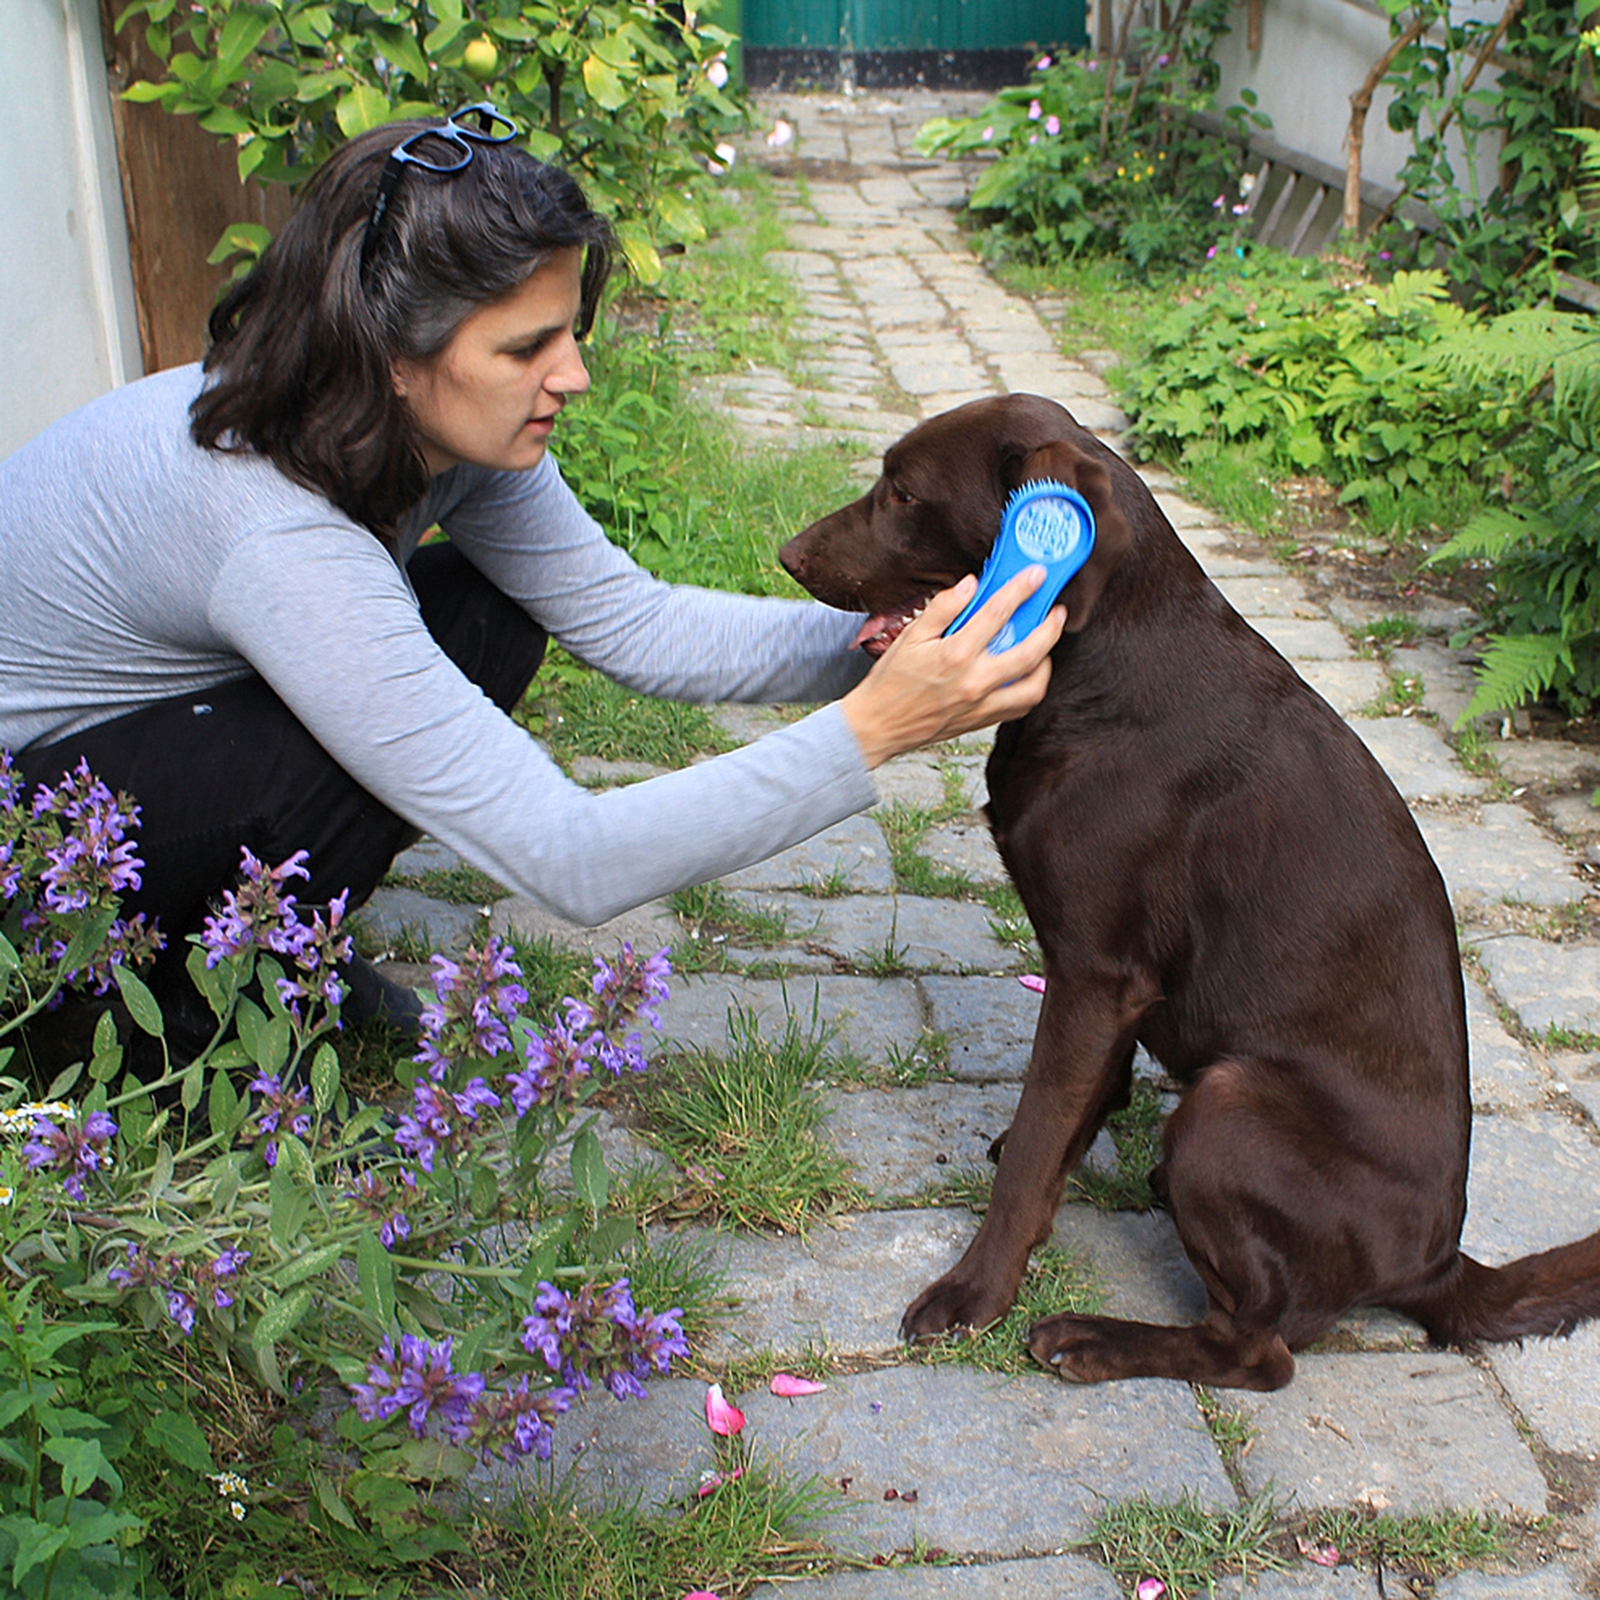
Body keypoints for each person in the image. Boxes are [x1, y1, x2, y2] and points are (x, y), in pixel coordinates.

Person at [0, 104, 1062, 1042]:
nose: (575, 374)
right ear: (392, 354)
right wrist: (876, 728)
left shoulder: (420, 429)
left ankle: (279, 939)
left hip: (149, 731)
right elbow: (573, 854)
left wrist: (894, 643)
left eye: (570, 331)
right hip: (33, 851)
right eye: (525, 348)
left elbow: (636, 624)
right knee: (327, 755)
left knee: (488, 613)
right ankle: (162, 1010)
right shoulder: (274, 532)